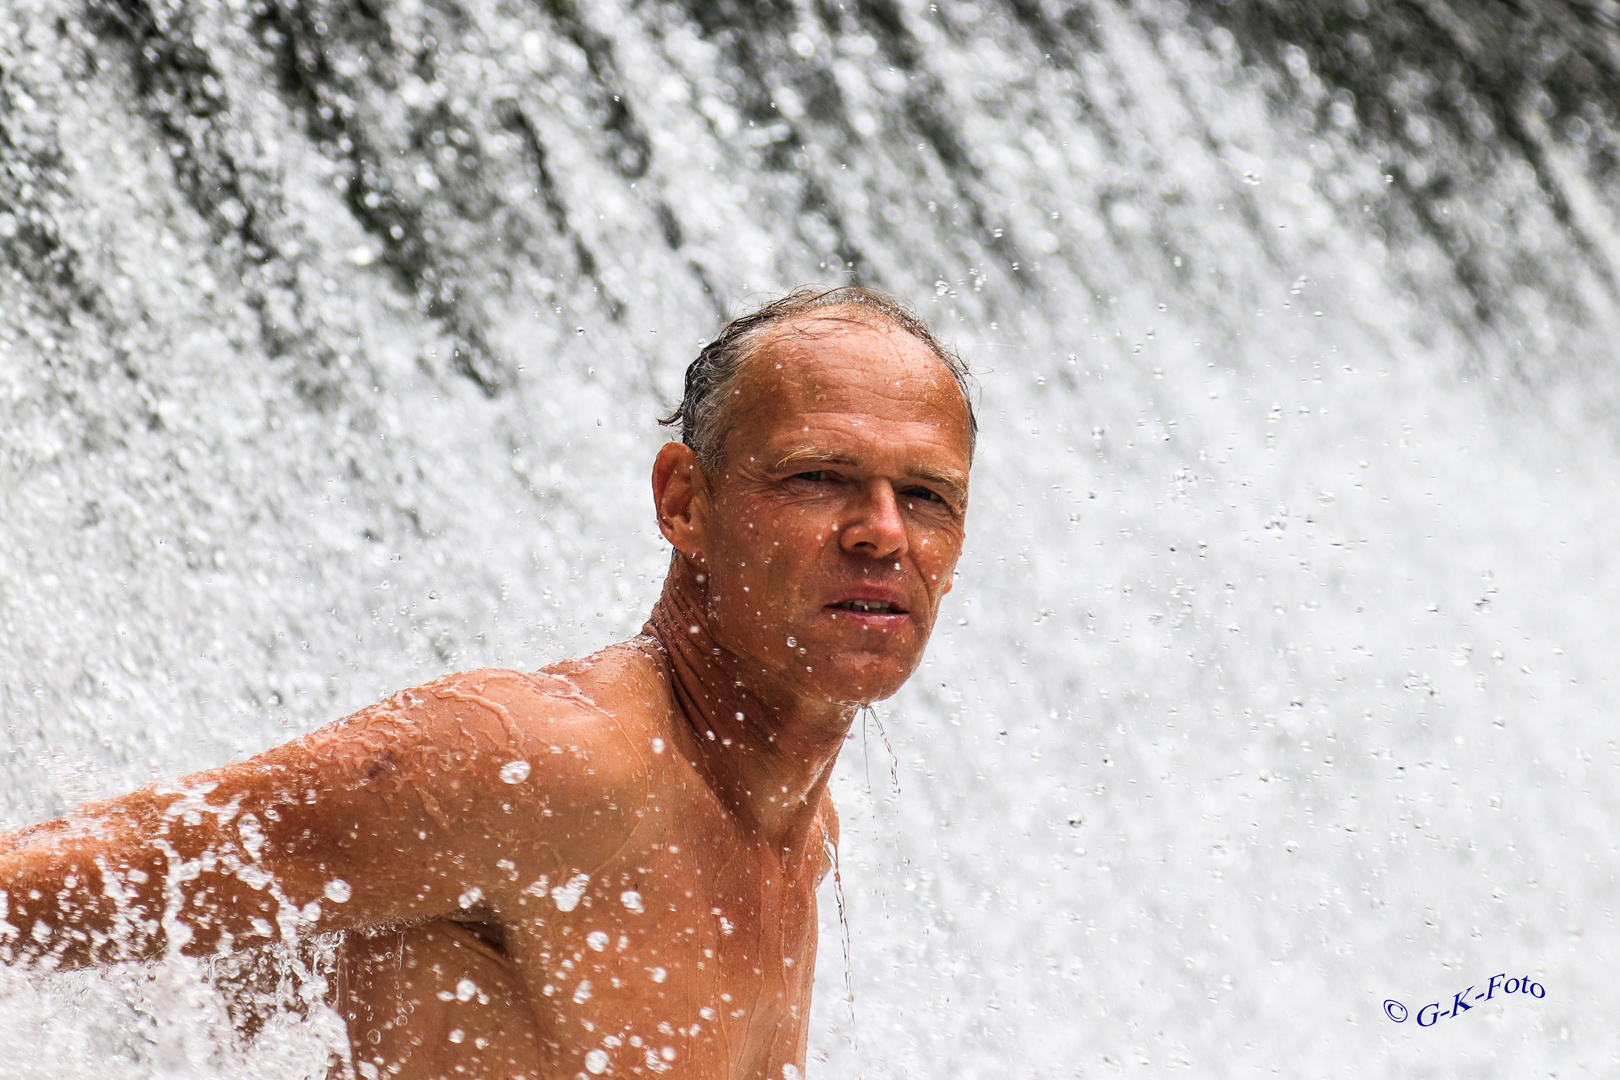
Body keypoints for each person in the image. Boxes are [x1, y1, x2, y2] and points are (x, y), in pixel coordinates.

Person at [0, 284, 976, 1080]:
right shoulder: (544, 766)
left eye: (925, 495)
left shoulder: (794, 826)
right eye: (816, 478)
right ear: (684, 501)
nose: (882, 533)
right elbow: (32, 893)